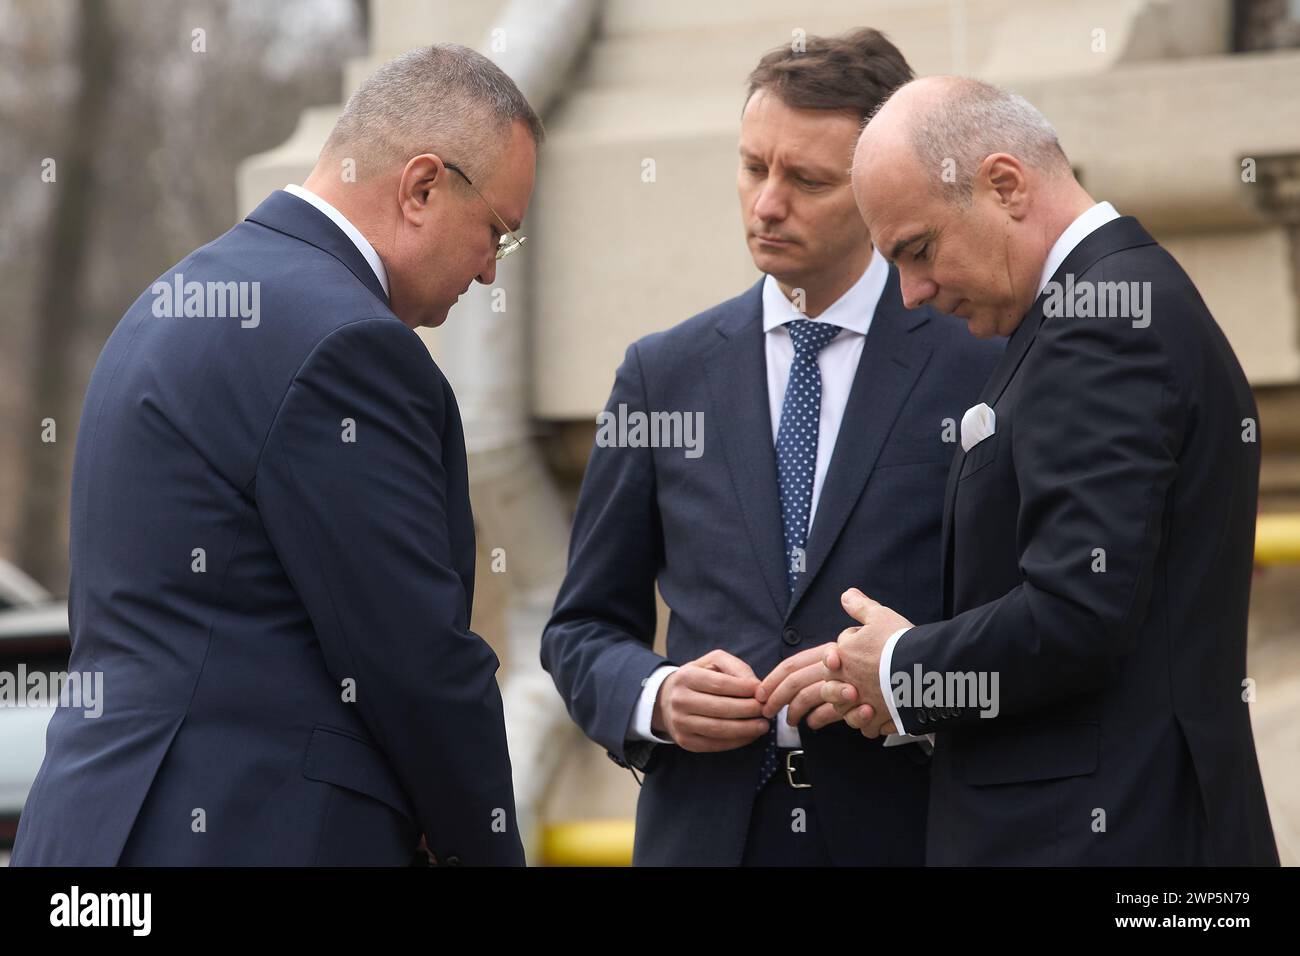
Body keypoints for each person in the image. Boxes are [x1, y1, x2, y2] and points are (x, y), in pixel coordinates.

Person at [12, 44, 537, 866]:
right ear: (423, 185)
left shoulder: (163, 305)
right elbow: (414, 663)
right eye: (496, 236)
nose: (485, 274)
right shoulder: (353, 346)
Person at [542, 31, 1002, 865]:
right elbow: (579, 627)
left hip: (912, 832)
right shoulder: (661, 374)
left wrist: (913, 688)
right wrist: (656, 696)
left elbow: (1029, 620)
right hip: (705, 836)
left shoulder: (979, 361)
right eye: (755, 167)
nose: (767, 204)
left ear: (878, 189)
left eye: (808, 181)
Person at [820, 75, 1279, 865]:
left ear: (1004, 184)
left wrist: (901, 670)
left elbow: (1076, 616)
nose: (913, 292)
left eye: (919, 249)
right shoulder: (1093, 307)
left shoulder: (1098, 321)